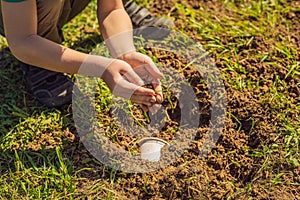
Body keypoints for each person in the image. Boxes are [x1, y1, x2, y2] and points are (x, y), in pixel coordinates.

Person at [0, 0, 174, 111]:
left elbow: (111, 9)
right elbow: (22, 41)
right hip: (15, 16)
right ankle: (42, 56)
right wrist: (101, 68)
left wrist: (125, 52)